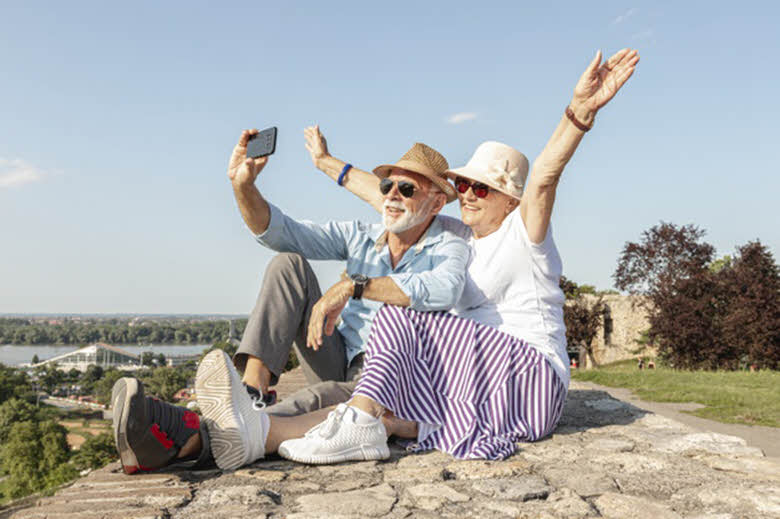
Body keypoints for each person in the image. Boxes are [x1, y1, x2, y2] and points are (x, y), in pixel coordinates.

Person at [275, 48, 640, 463]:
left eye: (482, 188)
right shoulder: (457, 235)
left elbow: (543, 179)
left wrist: (578, 112)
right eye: (464, 184)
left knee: (401, 309)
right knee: (393, 386)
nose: (467, 193)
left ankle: (358, 424)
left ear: (510, 201)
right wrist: (326, 163)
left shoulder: (525, 233)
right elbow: (390, 198)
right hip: (484, 388)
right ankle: (267, 432)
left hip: (532, 379)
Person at [112, 132, 471, 473]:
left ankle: (191, 437)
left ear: (437, 202)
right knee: (289, 264)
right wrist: (243, 186)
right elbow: (279, 231)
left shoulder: (449, 245)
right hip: (339, 352)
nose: (392, 195)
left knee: (322, 397)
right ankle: (252, 394)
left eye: (406, 189)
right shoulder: (362, 237)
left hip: (390, 376)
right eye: (386, 186)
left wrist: (355, 286)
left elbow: (445, 289)